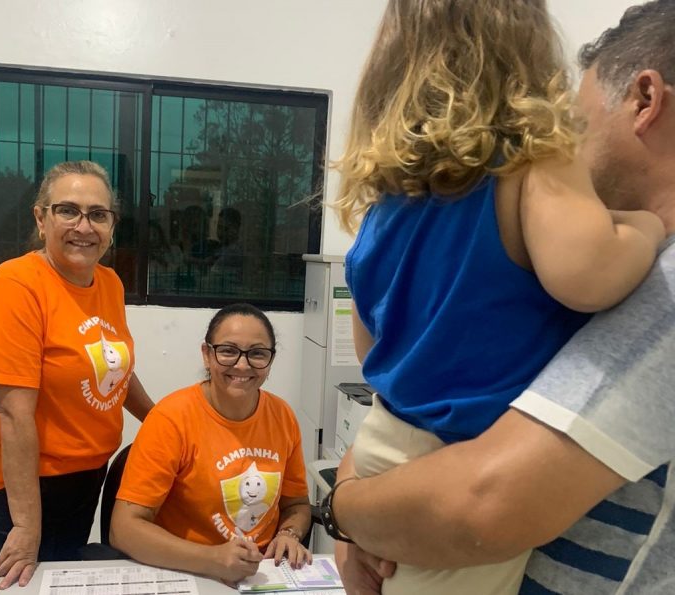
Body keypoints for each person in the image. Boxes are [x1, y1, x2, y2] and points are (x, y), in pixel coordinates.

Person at [329, 1, 675, 594]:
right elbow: (588, 273)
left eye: (582, 118)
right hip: (448, 469)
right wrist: (643, 228)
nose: (574, 131)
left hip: (389, 444)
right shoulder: (536, 161)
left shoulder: (389, 206)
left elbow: (374, 350)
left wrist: (350, 509)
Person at [0, 161, 156, 594]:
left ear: (112, 225)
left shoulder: (108, 283)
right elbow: (13, 416)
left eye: (98, 214)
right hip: (19, 490)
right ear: (40, 217)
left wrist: (168, 421)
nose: (83, 227)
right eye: (67, 210)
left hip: (86, 477)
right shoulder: (14, 288)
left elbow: (112, 369)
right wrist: (26, 527)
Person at [110, 303, 312, 585]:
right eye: (228, 351)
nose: (242, 365)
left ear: (270, 360)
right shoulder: (171, 418)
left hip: (260, 576)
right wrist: (212, 560)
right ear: (207, 355)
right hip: (186, 572)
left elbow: (298, 505)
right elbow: (124, 529)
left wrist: (288, 535)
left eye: (257, 353)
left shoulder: (283, 417)